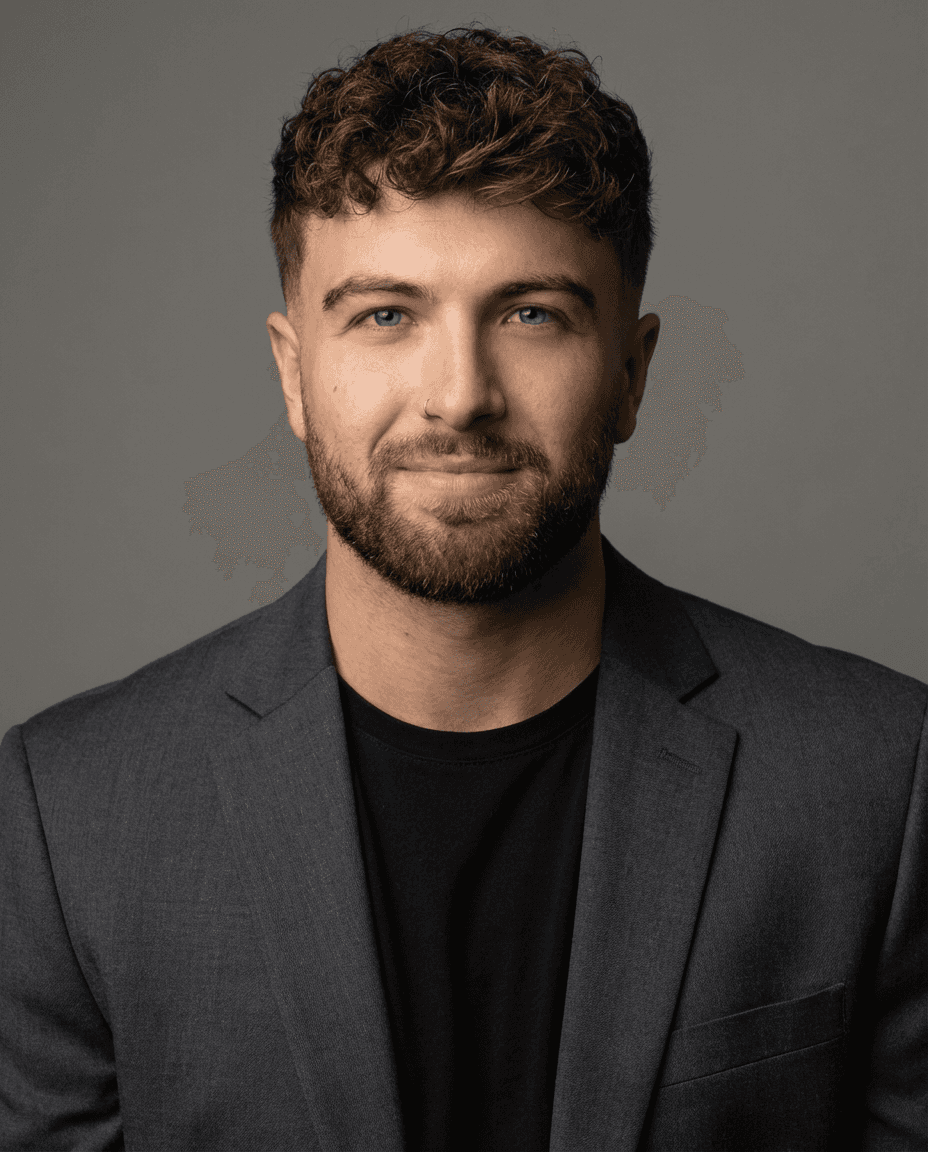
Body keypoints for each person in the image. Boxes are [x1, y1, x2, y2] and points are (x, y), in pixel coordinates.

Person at [1, 24, 924, 1152]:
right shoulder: (69, 815)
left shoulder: (877, 780)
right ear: (295, 374)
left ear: (630, 375)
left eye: (530, 313)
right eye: (384, 315)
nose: (459, 396)